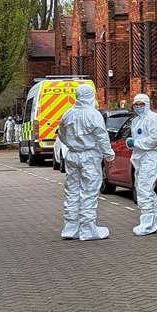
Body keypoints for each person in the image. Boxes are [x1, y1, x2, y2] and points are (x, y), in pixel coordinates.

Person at [56, 83, 115, 241]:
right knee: (89, 192)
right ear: (91, 95)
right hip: (89, 156)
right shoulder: (93, 115)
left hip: (72, 155)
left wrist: (70, 145)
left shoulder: (68, 113)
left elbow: (61, 133)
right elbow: (102, 137)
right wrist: (109, 155)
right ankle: (87, 228)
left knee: (72, 191)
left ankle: (70, 227)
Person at [127, 92, 157, 237]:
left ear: (147, 104)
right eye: (136, 104)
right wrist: (131, 144)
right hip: (139, 158)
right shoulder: (136, 121)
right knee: (143, 187)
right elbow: (138, 138)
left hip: (150, 157)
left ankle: (148, 223)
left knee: (144, 189)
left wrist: (136, 143)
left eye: (141, 104)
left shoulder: (154, 118)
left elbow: (155, 140)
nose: (138, 107)